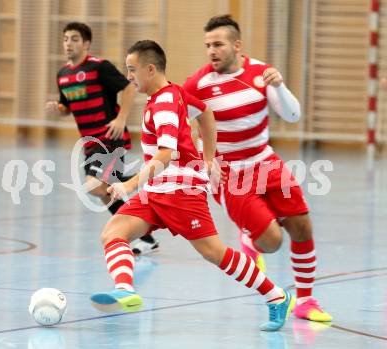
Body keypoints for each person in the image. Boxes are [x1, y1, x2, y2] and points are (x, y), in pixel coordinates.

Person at [90, 39, 295, 332]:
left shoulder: (162, 103)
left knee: (214, 252)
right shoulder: (173, 92)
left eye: (132, 69)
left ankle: (276, 296)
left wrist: (129, 185)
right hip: (157, 191)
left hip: (180, 192)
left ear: (150, 69)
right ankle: (126, 290)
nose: (129, 76)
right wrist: (209, 159)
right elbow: (206, 114)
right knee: (113, 233)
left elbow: (166, 152)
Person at [183, 15, 332, 322]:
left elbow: (292, 116)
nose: (212, 51)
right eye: (208, 45)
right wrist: (202, 161)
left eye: (218, 44)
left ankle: (305, 301)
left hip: (266, 162)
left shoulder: (261, 73)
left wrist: (280, 86)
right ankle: (250, 239)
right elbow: (180, 130)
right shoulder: (197, 85)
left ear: (237, 46)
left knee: (302, 226)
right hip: (229, 174)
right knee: (273, 242)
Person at [45, 22, 159, 254]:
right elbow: (67, 107)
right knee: (103, 193)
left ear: (86, 44)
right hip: (90, 143)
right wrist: (59, 108)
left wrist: (121, 119)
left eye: (75, 39)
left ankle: (137, 183)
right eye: (66, 38)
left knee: (95, 187)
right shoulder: (63, 75)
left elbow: (128, 88)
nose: (69, 43)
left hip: (109, 137)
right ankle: (144, 232)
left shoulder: (99, 67)